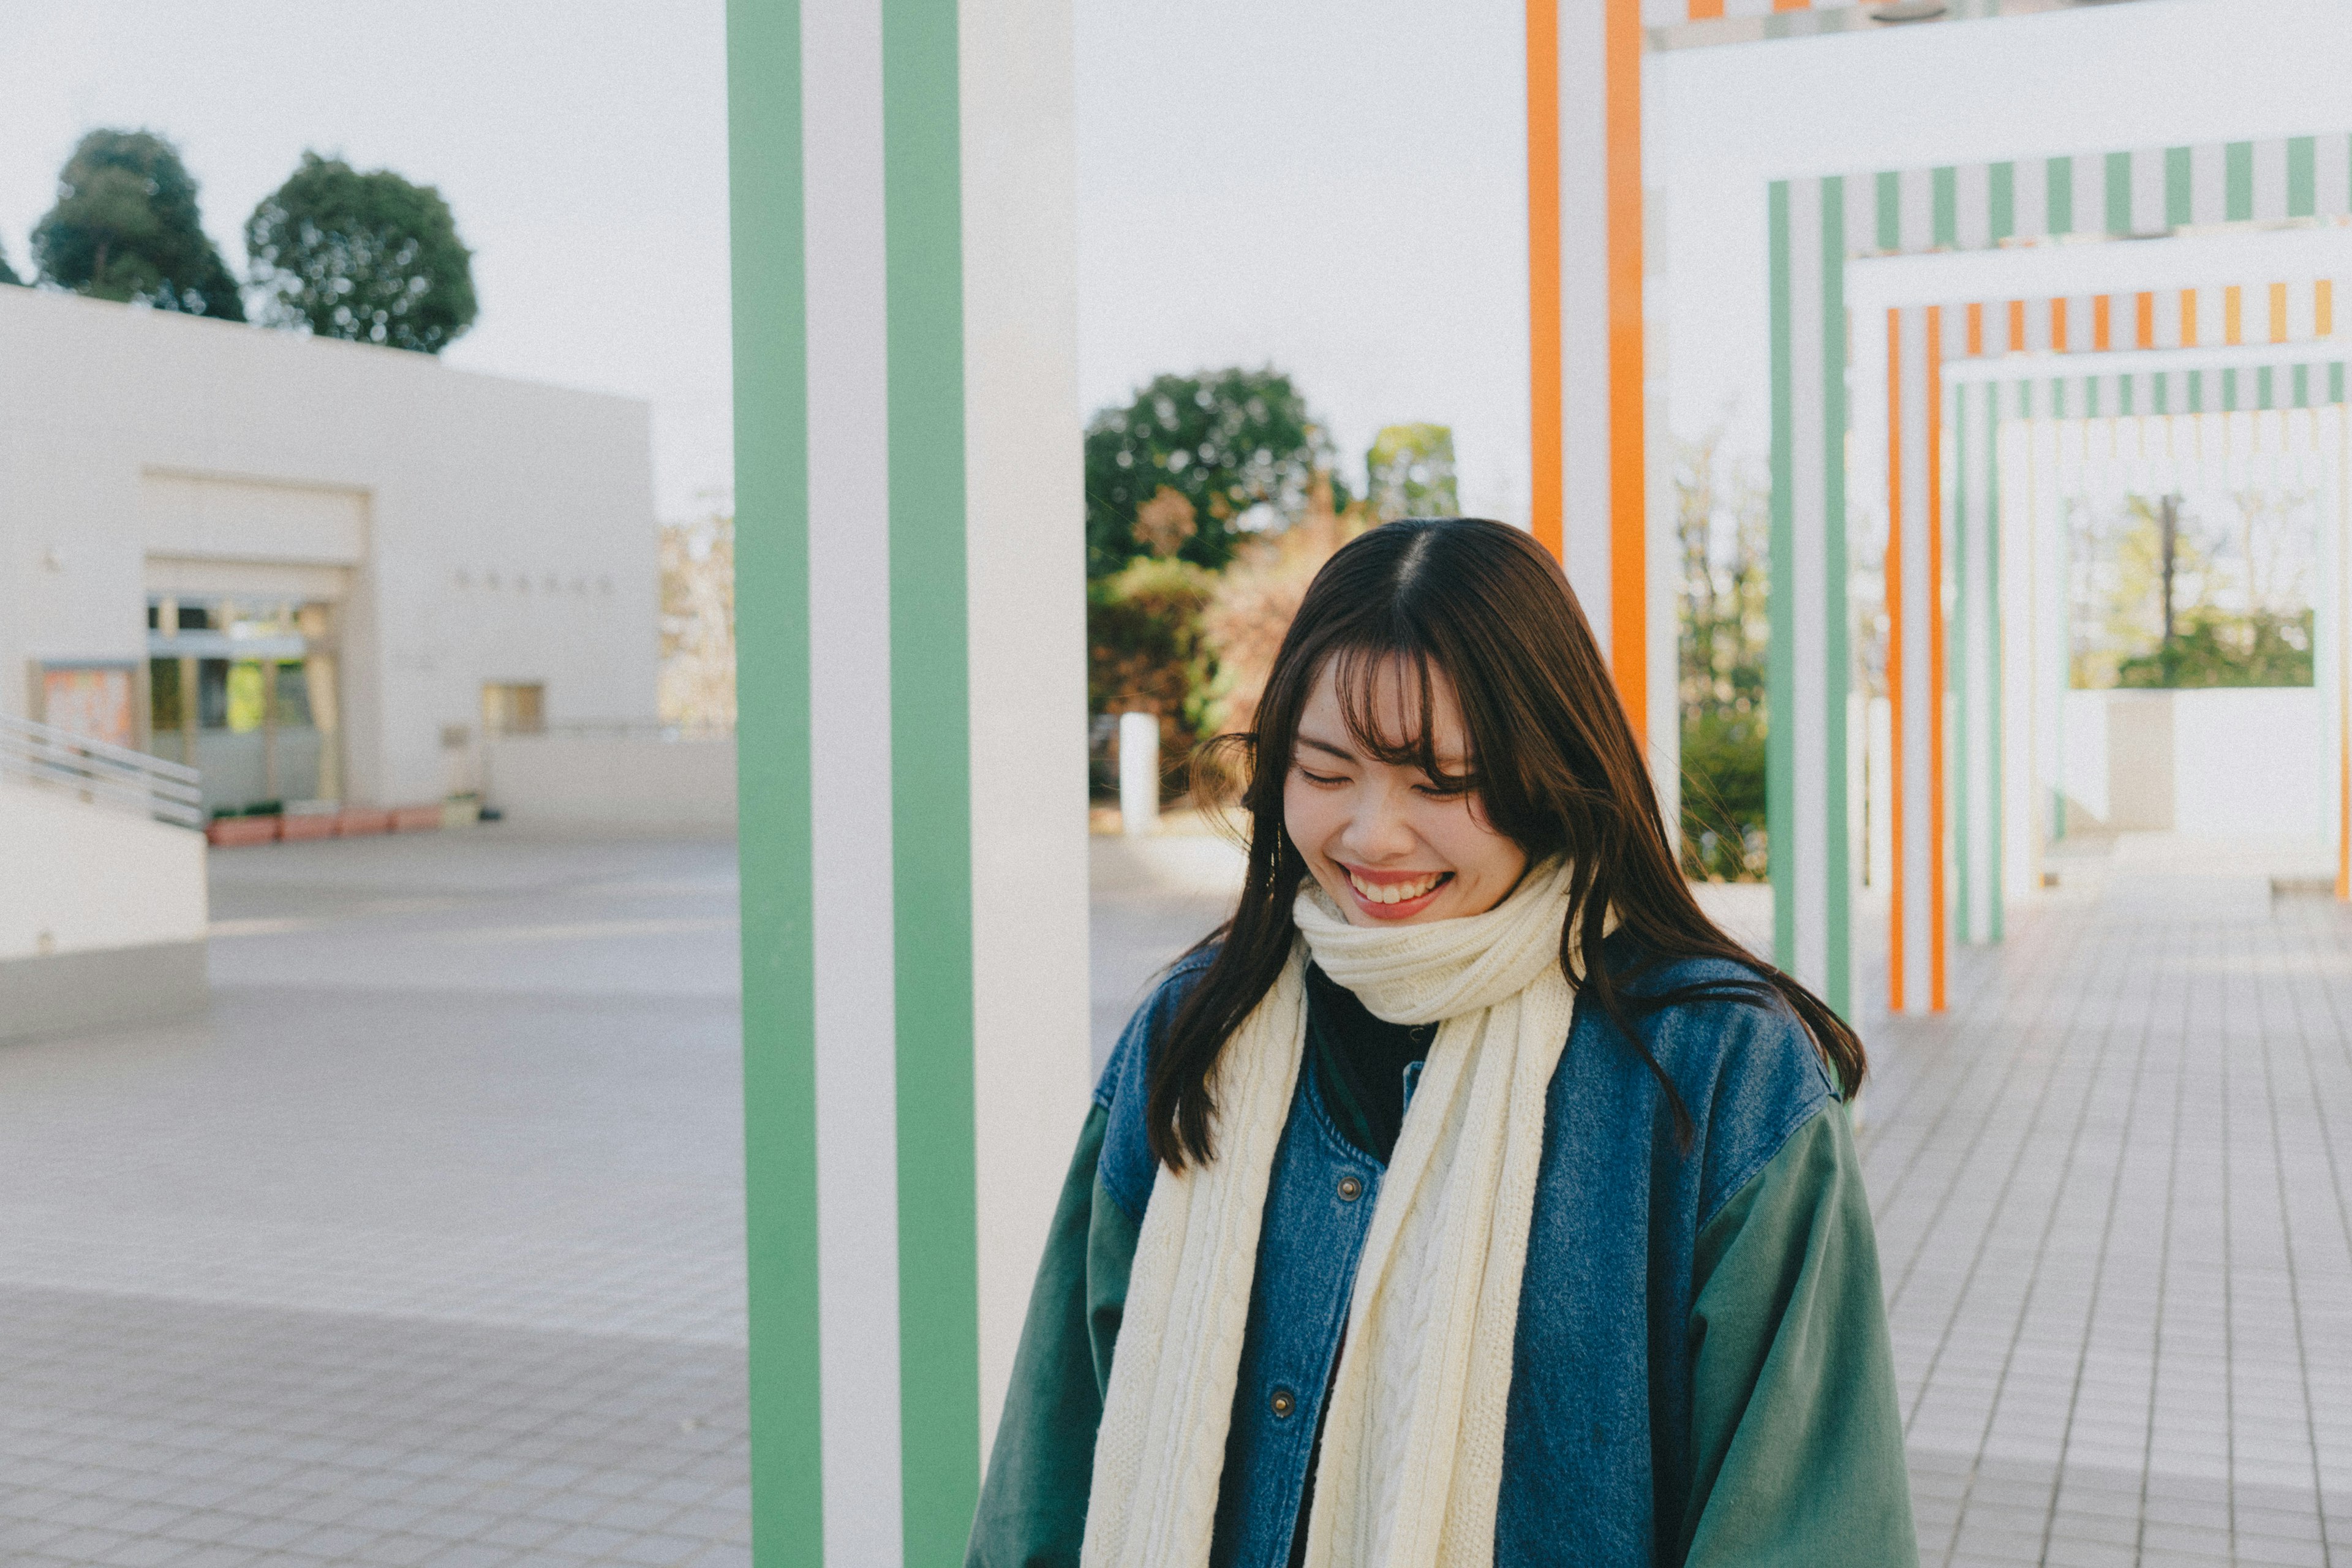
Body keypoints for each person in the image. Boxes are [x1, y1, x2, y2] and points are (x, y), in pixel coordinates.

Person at [969, 518, 1914, 1568]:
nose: (1373, 836)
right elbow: (1053, 1470)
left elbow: (1809, 1527)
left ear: (1553, 772)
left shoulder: (1721, 1074)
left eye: (1444, 783)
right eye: (1325, 773)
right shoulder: (1195, 1031)